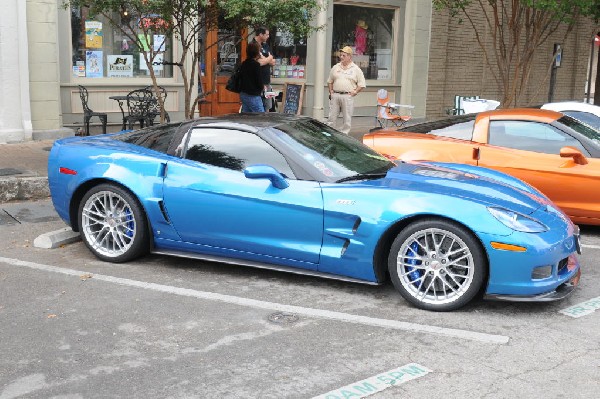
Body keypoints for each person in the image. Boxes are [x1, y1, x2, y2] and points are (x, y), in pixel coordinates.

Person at [327, 46, 366, 134]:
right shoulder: (336, 67)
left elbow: (362, 84)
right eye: (340, 55)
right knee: (331, 117)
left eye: (344, 56)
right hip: (335, 95)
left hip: (347, 96)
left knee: (347, 118)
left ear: (349, 57)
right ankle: (329, 134)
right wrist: (331, 92)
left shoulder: (356, 69)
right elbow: (330, 81)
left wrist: (355, 91)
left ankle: (344, 135)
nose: (341, 57)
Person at [253, 26, 276, 111]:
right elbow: (259, 62)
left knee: (268, 105)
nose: (268, 36)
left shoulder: (265, 45)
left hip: (267, 81)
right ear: (260, 34)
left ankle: (265, 123)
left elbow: (273, 62)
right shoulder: (253, 45)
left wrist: (266, 58)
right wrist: (268, 58)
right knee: (259, 106)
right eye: (266, 34)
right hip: (257, 82)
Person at [239, 42, 264, 112]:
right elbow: (259, 81)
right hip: (253, 95)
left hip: (243, 94)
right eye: (259, 51)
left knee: (247, 116)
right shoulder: (256, 65)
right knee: (260, 117)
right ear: (256, 52)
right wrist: (262, 88)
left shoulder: (244, 64)